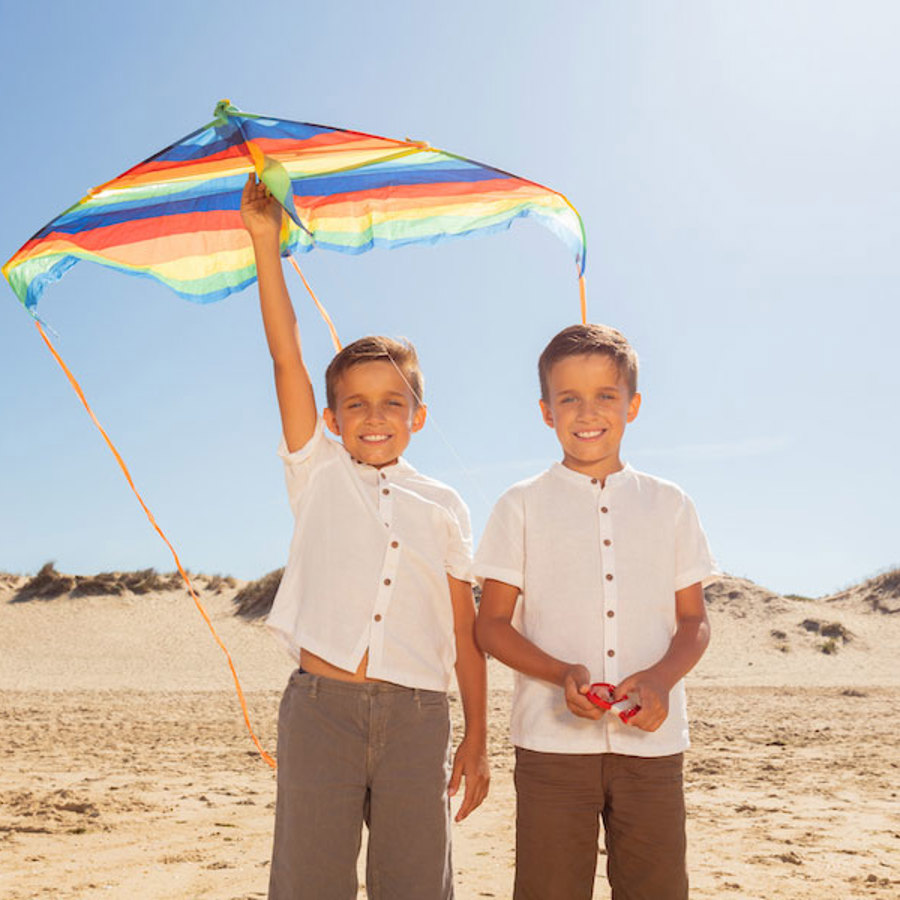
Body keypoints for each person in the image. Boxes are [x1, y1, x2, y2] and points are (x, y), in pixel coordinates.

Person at [240, 174, 489, 900]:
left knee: (415, 885)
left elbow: (465, 631)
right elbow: (286, 355)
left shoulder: (444, 503)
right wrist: (266, 242)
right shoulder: (316, 474)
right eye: (354, 403)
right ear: (330, 417)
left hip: (420, 718)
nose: (373, 416)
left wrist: (476, 735)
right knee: (310, 882)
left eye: (392, 402)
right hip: (321, 710)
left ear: (418, 413)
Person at [474, 323, 715, 900]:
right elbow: (490, 625)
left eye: (606, 395)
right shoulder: (520, 505)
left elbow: (695, 622)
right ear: (545, 410)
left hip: (652, 748)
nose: (588, 411)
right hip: (550, 749)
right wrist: (560, 674)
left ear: (632, 405)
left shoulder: (671, 503)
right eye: (569, 398)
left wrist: (660, 678)